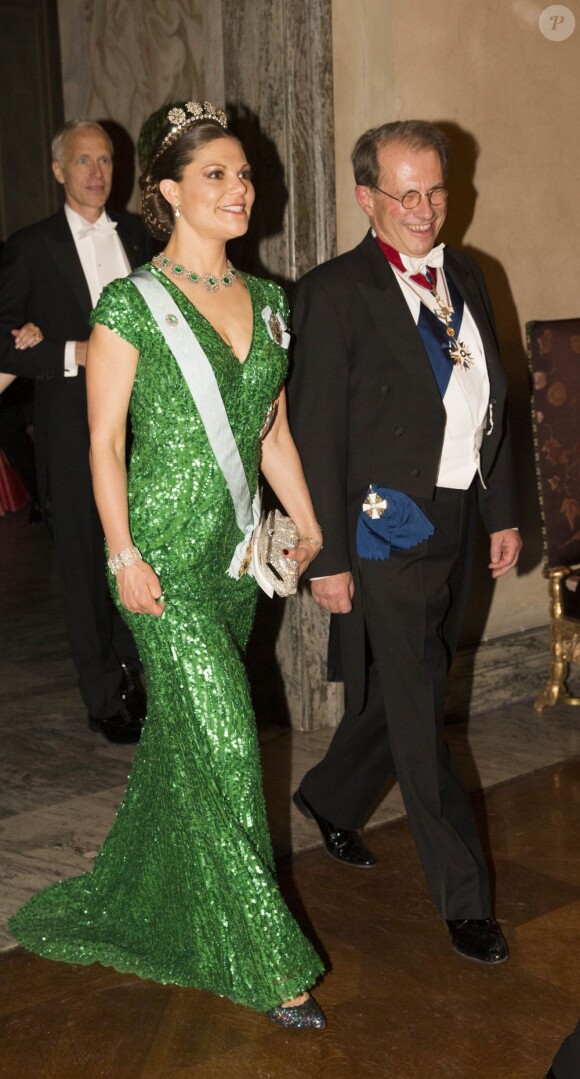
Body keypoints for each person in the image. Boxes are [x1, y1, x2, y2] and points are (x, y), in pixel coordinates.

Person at [9, 101, 326, 1028]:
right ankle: (270, 961)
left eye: (244, 174)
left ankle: (156, 898)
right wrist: (120, 554)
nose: (238, 189)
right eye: (216, 175)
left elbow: (270, 430)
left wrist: (306, 524)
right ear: (171, 192)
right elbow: (104, 445)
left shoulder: (271, 304)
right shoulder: (129, 303)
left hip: (233, 559)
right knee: (229, 738)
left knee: (190, 750)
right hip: (159, 559)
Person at [288, 120, 522, 965]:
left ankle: (330, 793)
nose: (425, 209)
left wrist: (500, 510)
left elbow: (487, 403)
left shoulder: (467, 273)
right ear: (366, 199)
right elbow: (315, 433)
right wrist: (327, 557)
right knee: (424, 715)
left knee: (409, 686)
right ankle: (464, 899)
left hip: (456, 517)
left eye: (436, 190)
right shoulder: (333, 291)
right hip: (381, 530)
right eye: (406, 193)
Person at [0, 119, 149, 742]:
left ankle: (140, 674)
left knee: (143, 550)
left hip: (145, 424)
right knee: (88, 563)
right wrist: (69, 352)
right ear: (59, 171)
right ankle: (103, 695)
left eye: (106, 160)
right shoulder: (30, 245)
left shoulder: (141, 235)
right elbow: (4, 341)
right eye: (83, 161)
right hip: (71, 431)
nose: (96, 172)